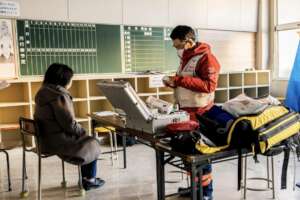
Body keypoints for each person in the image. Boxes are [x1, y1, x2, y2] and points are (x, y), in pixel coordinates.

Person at [163, 25, 221, 200]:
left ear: (188, 42)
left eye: (177, 46)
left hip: (201, 113)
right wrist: (174, 82)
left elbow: (209, 85)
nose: (176, 49)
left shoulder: (207, 58)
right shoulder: (187, 58)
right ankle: (195, 189)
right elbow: (187, 80)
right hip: (185, 113)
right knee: (189, 154)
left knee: (200, 153)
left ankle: (206, 193)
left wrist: (180, 80)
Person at [34, 63, 104, 191]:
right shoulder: (59, 95)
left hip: (45, 140)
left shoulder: (43, 92)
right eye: (71, 78)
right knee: (92, 141)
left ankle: (87, 178)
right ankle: (89, 180)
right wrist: (84, 132)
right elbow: (69, 125)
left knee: (86, 140)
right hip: (58, 142)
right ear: (64, 80)